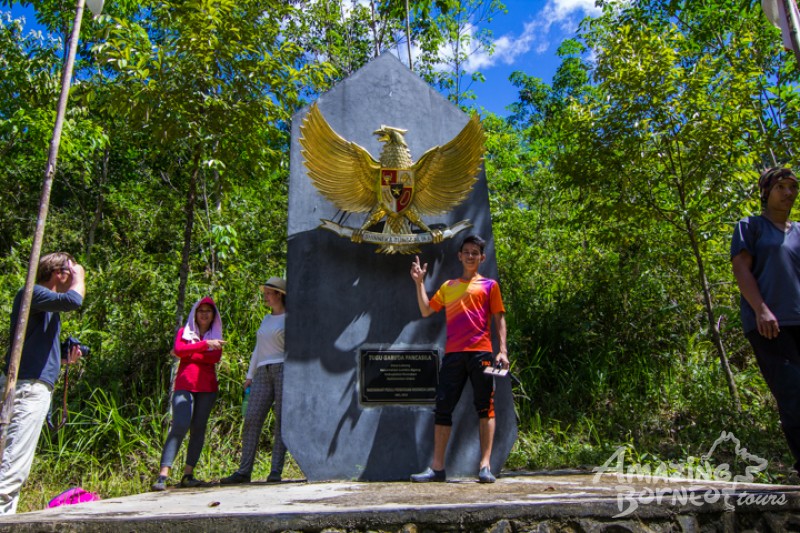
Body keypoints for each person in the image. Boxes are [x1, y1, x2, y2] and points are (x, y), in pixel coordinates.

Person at [409, 235, 509, 483]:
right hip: (453, 355)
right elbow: (425, 310)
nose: (471, 256)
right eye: (467, 252)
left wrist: (503, 350)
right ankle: (437, 468)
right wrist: (419, 282)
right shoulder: (448, 286)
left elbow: (499, 318)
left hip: (482, 353)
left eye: (475, 252)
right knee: (443, 408)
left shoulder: (489, 286)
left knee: (485, 408)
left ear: (482, 257)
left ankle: (485, 466)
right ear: (460, 256)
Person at [0, 252, 86, 514]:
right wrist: (79, 275)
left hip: (28, 383)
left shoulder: (44, 306)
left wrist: (61, 359)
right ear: (60, 272)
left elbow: (34, 348)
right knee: (13, 466)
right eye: (69, 271)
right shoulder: (33, 293)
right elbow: (73, 300)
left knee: (11, 463)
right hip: (26, 388)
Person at [732, 167, 800, 473]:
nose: (788, 193)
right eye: (781, 187)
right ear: (766, 191)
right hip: (770, 325)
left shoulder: (798, 231)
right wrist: (761, 308)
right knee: (793, 393)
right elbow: (742, 269)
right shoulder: (751, 226)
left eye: (793, 187)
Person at [151, 296, 225, 491]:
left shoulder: (216, 333)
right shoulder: (185, 332)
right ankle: (163, 474)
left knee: (198, 428)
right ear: (195, 313)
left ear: (213, 316)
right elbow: (178, 349)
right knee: (180, 424)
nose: (204, 314)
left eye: (209, 311)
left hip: (207, 388)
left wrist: (188, 353)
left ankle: (188, 474)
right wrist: (204, 346)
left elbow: (214, 358)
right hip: (185, 385)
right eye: (201, 311)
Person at [221, 277, 288, 484]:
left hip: (284, 368)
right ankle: (244, 471)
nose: (266, 297)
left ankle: (275, 470)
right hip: (262, 371)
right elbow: (258, 349)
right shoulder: (266, 319)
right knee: (251, 418)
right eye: (265, 293)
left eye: (269, 293)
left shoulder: (291, 318)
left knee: (281, 421)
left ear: (279, 294)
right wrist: (250, 375)